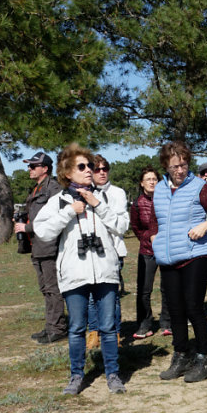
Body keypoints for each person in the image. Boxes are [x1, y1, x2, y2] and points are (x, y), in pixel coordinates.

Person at [32, 144, 129, 395]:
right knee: (76, 328)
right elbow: (42, 231)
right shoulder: (59, 200)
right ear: (67, 173)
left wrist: (97, 204)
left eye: (91, 166)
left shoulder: (105, 197)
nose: (90, 171)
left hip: (105, 271)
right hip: (75, 274)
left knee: (108, 327)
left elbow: (121, 227)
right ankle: (76, 376)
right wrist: (68, 212)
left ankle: (113, 375)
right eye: (82, 167)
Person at [152, 141, 207, 383]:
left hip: (197, 253)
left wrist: (205, 226)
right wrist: (154, 238)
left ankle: (203, 357)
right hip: (168, 257)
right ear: (166, 166)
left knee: (193, 306)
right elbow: (156, 221)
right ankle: (181, 355)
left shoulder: (199, 187)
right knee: (175, 310)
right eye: (175, 166)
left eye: (184, 165)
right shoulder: (160, 190)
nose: (180, 170)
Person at [14, 151, 67, 344]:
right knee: (45, 289)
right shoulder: (36, 189)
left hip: (49, 246)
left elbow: (55, 218)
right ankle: (50, 326)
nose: (29, 169)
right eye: (29, 165)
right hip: (37, 246)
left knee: (53, 289)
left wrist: (26, 227)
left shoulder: (53, 188)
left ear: (44, 168)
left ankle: (58, 328)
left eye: (33, 166)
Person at [84, 154, 129, 345]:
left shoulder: (117, 193)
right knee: (91, 296)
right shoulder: (82, 193)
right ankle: (94, 332)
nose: (102, 173)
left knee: (112, 296)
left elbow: (119, 224)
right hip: (90, 251)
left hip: (112, 250)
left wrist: (98, 205)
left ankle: (114, 333)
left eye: (105, 168)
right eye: (97, 169)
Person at [129, 167, 170, 339]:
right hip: (147, 250)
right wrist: (147, 238)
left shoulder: (167, 200)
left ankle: (167, 323)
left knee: (167, 287)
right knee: (144, 290)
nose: (152, 182)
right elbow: (136, 227)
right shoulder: (137, 204)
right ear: (142, 183)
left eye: (155, 179)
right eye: (148, 179)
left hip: (167, 249)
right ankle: (145, 324)